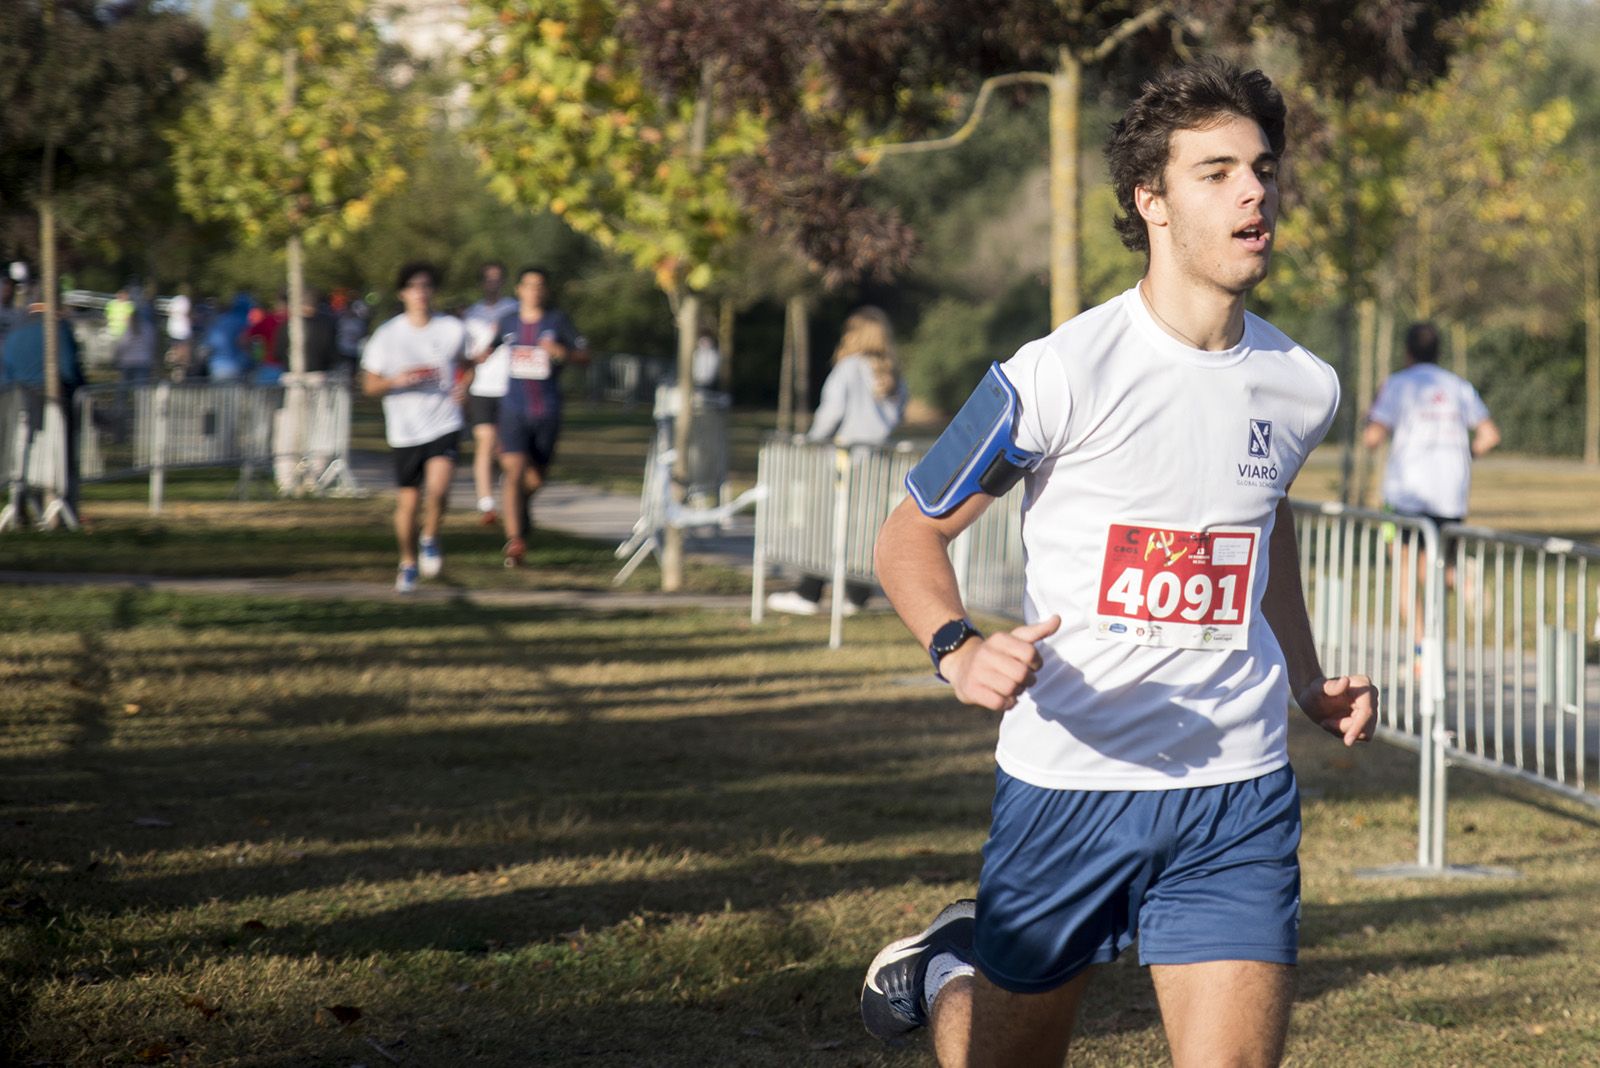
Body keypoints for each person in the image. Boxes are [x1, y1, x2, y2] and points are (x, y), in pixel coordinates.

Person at [860, 58, 1379, 1068]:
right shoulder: (1058, 373)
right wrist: (957, 649)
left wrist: (1306, 678)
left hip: (1237, 793)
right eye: (1216, 173)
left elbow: (1262, 523)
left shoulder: (1302, 384)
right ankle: (947, 972)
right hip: (1070, 785)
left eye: (1263, 169)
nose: (1254, 192)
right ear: (1151, 201)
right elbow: (908, 533)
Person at [766, 306, 907, 616]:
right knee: (862, 529)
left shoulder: (849, 368)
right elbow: (897, 415)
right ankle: (857, 594)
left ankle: (809, 592)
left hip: (842, 460)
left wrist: (812, 441)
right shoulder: (892, 374)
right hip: (875, 462)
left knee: (821, 524)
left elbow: (831, 413)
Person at [360, 263, 472, 593]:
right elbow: (369, 385)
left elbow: (466, 366)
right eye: (413, 287)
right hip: (405, 429)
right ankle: (408, 562)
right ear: (402, 293)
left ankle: (430, 537)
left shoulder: (452, 328)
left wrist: (465, 385)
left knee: (438, 490)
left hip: (444, 420)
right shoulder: (387, 335)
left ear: (433, 291)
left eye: (426, 286)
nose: (420, 293)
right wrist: (397, 381)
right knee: (409, 504)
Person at [1362, 322, 1500, 533]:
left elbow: (1372, 438)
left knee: (1403, 551)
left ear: (1407, 352)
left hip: (1406, 491)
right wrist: (1465, 455)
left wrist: (1370, 414)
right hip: (1450, 492)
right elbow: (1490, 436)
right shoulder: (1459, 386)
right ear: (1438, 352)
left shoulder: (1397, 384)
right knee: (1443, 552)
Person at [492, 266, 583, 567]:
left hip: (547, 410)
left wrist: (562, 352)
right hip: (513, 410)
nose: (534, 291)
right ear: (519, 289)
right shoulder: (507, 321)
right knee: (514, 472)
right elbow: (486, 350)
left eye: (539, 286)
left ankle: (519, 507)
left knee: (534, 479)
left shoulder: (558, 321)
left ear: (546, 291)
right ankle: (515, 541)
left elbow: (584, 355)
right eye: (528, 285)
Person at [1, 294, 87, 509]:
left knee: (21, 457)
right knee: (59, 457)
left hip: (17, 403)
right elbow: (70, 370)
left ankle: (20, 503)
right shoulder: (59, 329)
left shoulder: (16, 331)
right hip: (53, 402)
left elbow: (6, 373)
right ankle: (61, 504)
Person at [463, 262, 518, 526]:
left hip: (511, 386)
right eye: (488, 279)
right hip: (482, 388)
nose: (493, 284)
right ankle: (486, 503)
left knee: (504, 448)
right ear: (481, 283)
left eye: (497, 279)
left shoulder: (515, 310)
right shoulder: (471, 315)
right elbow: (466, 354)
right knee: (485, 441)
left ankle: (509, 495)